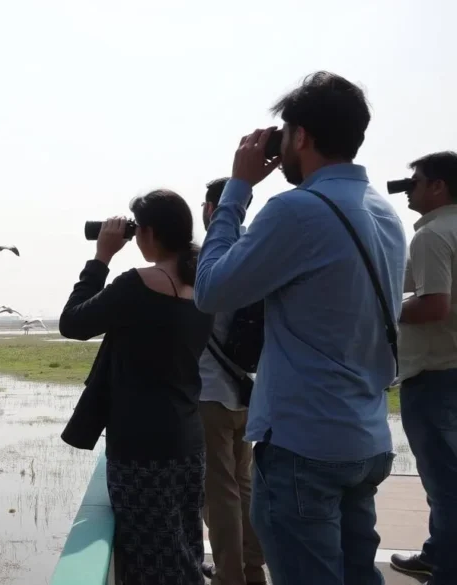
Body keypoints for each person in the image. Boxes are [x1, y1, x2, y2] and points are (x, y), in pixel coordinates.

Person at [194, 71, 406, 585]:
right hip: (365, 438)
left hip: (304, 446)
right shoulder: (385, 212)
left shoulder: (296, 211)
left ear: (301, 137)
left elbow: (211, 290)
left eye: (284, 134)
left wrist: (238, 189)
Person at [59, 190, 214, 585]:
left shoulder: (138, 285)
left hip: (141, 450)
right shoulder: (203, 285)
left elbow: (73, 324)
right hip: (188, 442)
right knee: (184, 550)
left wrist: (102, 257)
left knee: (148, 561)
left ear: (145, 232)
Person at [390, 150, 457, 585]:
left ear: (437, 186)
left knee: (444, 484)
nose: (407, 189)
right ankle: (436, 552)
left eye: (414, 181)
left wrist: (387, 308)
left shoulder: (431, 235)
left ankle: (446, 572)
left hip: (434, 375)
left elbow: (434, 306)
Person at [197, 177, 266, 585]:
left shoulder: (210, 254)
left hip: (210, 393)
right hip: (247, 391)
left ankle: (229, 576)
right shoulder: (257, 251)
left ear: (213, 208)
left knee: (219, 492)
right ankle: (252, 572)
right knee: (244, 487)